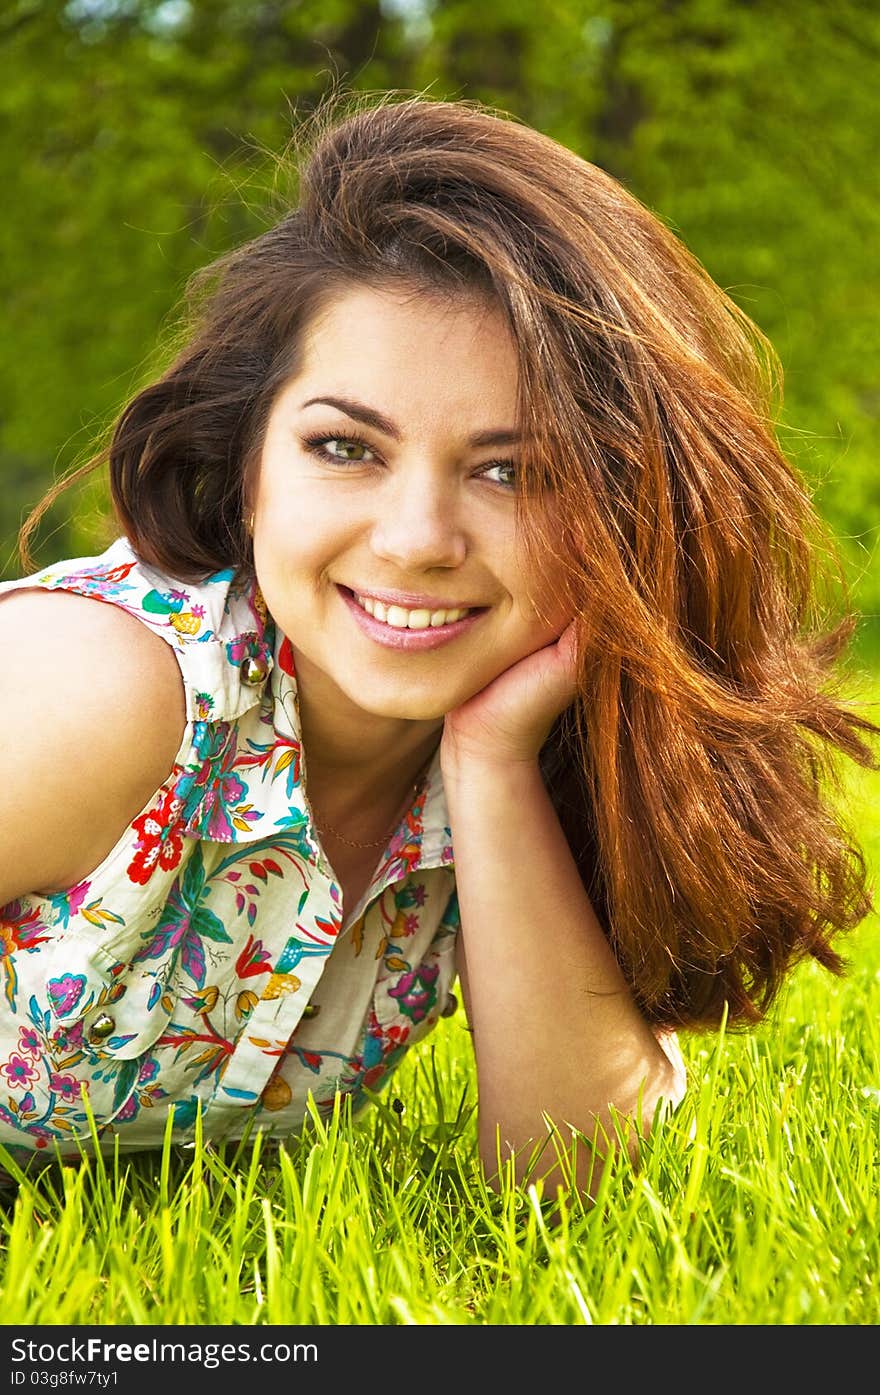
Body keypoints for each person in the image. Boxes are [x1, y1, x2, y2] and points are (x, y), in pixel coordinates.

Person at [0, 92, 875, 1195]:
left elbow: (572, 1181)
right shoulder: (99, 688)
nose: (416, 540)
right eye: (344, 447)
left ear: (625, 510)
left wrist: (493, 767)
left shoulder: (523, 746)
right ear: (249, 459)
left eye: (513, 470)